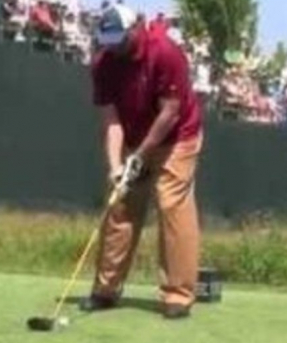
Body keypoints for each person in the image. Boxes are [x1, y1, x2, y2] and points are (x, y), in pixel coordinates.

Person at [82, 4, 204, 320]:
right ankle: (106, 289)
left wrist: (139, 156)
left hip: (177, 137)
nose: (115, 46)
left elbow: (170, 112)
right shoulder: (104, 63)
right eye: (109, 40)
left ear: (137, 26)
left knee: (170, 202)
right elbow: (111, 121)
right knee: (120, 203)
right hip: (134, 136)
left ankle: (178, 294)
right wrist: (116, 166)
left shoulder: (165, 52)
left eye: (120, 39)